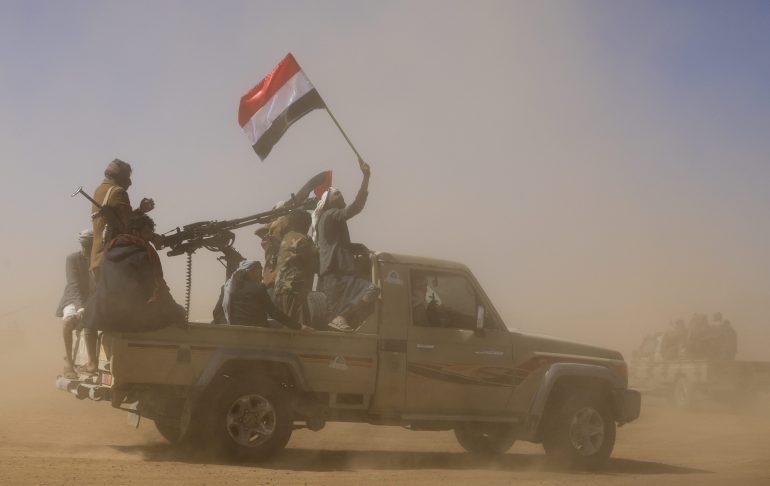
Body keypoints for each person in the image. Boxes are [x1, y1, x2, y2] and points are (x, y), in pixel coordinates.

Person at [81, 214, 185, 373]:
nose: (151, 237)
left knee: (91, 305)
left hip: (103, 317)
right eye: (148, 233)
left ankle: (92, 363)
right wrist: (177, 311)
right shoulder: (144, 254)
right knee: (174, 314)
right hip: (131, 319)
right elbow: (158, 288)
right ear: (136, 232)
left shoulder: (109, 249)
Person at [311, 159, 379, 331]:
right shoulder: (332, 215)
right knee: (371, 289)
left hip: (332, 276)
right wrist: (366, 177)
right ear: (328, 202)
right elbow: (356, 207)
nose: (341, 196)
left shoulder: (327, 220)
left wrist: (359, 247)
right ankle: (342, 317)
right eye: (337, 194)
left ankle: (340, 318)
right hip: (339, 275)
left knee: (332, 320)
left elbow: (338, 245)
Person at [90, 158, 155, 278]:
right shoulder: (118, 192)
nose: (130, 183)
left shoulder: (99, 190)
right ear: (118, 177)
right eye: (127, 177)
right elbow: (129, 226)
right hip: (114, 260)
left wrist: (140, 210)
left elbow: (119, 220)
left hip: (98, 259)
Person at [222, 260, 309, 330]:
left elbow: (218, 312)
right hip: (257, 332)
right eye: (259, 273)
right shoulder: (259, 288)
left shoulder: (227, 288)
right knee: (283, 327)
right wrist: (299, 326)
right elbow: (274, 312)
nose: (262, 277)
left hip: (235, 330)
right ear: (251, 272)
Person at [55, 229, 93, 379]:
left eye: (88, 244)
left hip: (94, 298)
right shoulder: (72, 259)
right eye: (83, 244)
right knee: (68, 322)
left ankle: (91, 362)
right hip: (74, 298)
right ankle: (69, 362)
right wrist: (80, 307)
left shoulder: (101, 259)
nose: (85, 248)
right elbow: (74, 284)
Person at [274, 210, 317, 329]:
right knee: (299, 329)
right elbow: (315, 262)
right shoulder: (304, 239)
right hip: (294, 290)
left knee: (286, 325)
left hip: (279, 289)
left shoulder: (286, 237)